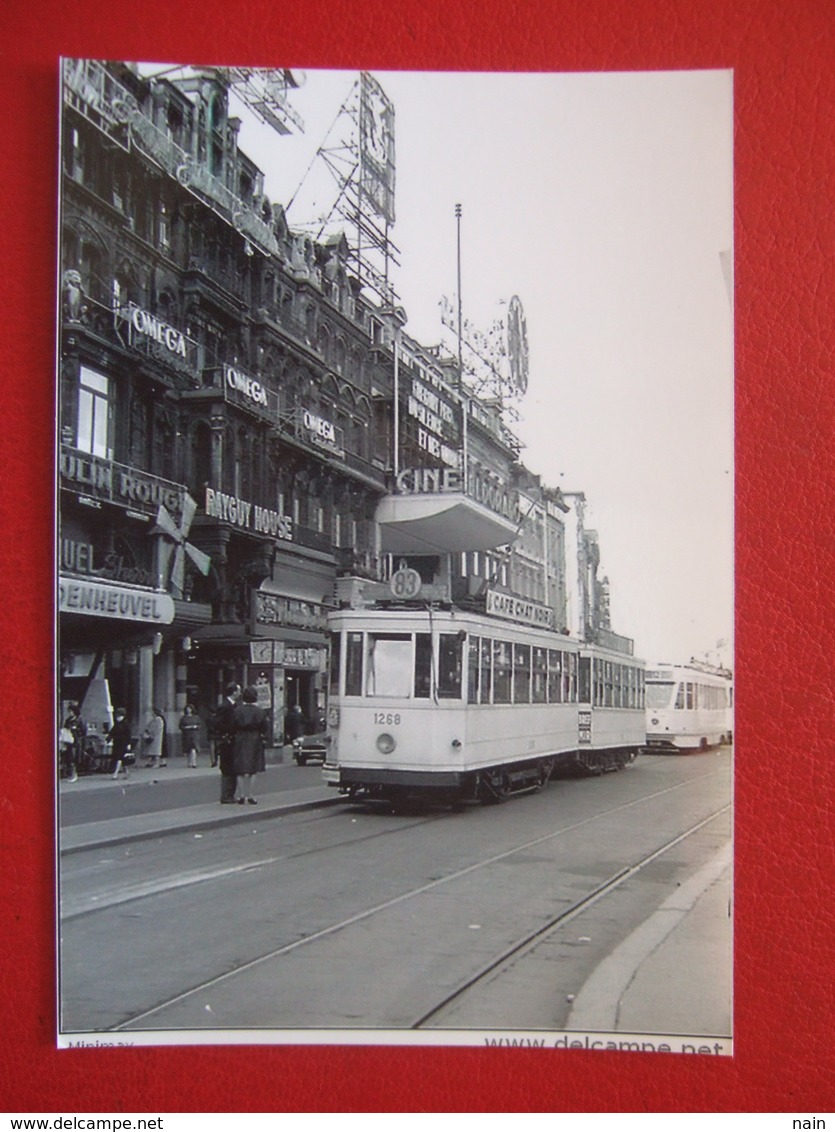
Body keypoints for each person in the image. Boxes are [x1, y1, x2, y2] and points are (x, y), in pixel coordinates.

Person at [232, 685, 270, 804]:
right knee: (253, 768)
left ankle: (242, 795)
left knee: (240, 769)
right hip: (255, 738)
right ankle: (251, 795)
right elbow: (265, 727)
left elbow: (233, 724)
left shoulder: (237, 710)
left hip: (240, 738)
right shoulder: (260, 711)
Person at [212, 682, 241, 804]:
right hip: (227, 741)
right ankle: (226, 795)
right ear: (234, 692)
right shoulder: (225, 706)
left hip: (232, 740)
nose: (240, 693)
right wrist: (229, 731)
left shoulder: (234, 705)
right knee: (227, 767)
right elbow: (218, 723)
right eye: (238, 690)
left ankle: (230, 794)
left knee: (232, 768)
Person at [60, 702, 86, 782]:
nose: (70, 713)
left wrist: (76, 731)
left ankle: (73, 774)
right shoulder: (68, 720)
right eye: (69, 711)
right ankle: (70, 774)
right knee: (68, 758)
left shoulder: (79, 720)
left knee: (73, 757)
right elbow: (64, 729)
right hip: (68, 740)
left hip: (76, 741)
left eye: (71, 711)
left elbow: (83, 730)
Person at [107, 708, 134, 779]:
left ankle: (115, 773)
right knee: (122, 759)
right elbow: (112, 732)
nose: (117, 718)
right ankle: (126, 773)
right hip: (117, 743)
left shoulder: (126, 724)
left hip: (123, 743)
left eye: (119, 716)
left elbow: (129, 735)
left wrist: (129, 744)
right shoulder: (118, 724)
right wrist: (109, 738)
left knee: (119, 758)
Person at [178, 703, 200, 768]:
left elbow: (199, 725)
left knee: (194, 748)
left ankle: (194, 762)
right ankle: (189, 762)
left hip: (194, 734)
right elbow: (180, 726)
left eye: (189, 709)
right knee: (188, 749)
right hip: (186, 735)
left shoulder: (196, 717)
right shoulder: (183, 718)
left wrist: (195, 726)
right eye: (187, 709)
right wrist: (185, 728)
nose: (188, 710)